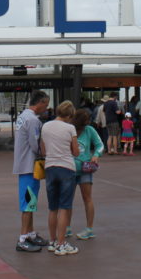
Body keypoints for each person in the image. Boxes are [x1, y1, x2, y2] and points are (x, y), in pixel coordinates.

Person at [40, 100, 80, 256]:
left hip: (50, 167)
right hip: (66, 168)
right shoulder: (70, 128)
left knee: (53, 207)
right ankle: (61, 243)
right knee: (64, 207)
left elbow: (43, 151)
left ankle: (52, 241)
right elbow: (76, 152)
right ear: (70, 114)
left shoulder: (45, 126)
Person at [13, 90, 51, 252]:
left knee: (30, 201)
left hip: (23, 164)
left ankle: (30, 233)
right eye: (46, 104)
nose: (47, 108)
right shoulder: (33, 120)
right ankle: (23, 238)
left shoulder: (23, 117)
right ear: (40, 103)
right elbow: (35, 144)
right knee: (28, 202)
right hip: (30, 165)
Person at [71, 108, 103, 240]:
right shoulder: (69, 129)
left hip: (85, 169)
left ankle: (89, 228)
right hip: (70, 169)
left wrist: (96, 155)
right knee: (67, 199)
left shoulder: (89, 130)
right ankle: (66, 226)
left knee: (87, 198)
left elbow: (100, 145)